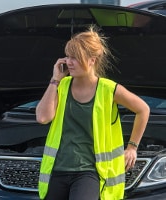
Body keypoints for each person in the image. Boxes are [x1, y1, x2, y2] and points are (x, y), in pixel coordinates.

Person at [36, 26, 150, 200]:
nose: (68, 62)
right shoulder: (62, 86)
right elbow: (43, 118)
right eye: (67, 56)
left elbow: (143, 109)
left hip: (88, 172)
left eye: (74, 57)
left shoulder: (109, 89)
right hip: (58, 170)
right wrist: (54, 80)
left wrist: (132, 147)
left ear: (92, 60)